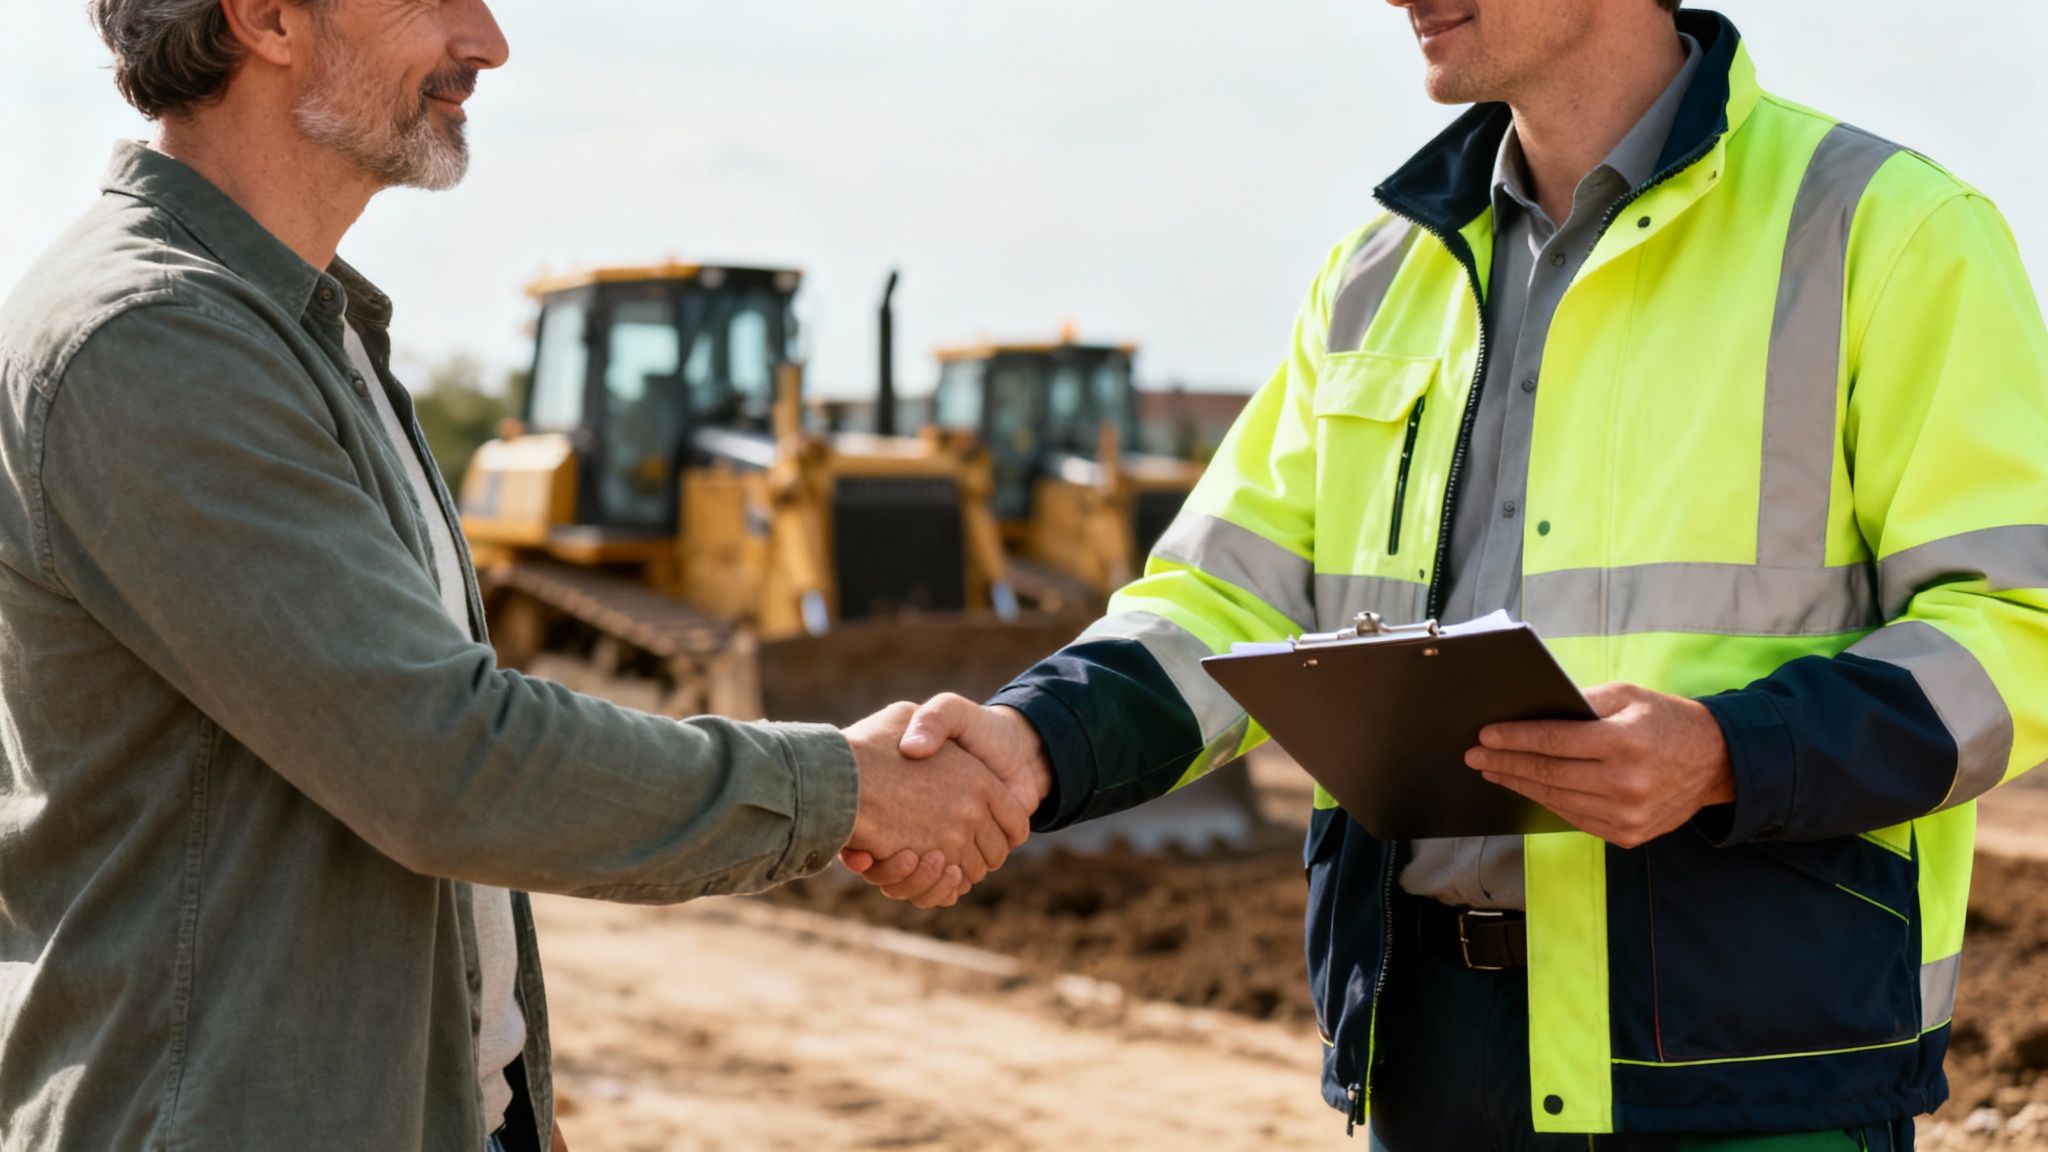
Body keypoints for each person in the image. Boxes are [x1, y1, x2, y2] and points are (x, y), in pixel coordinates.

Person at [855, 1, 2048, 1147]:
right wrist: (1030, 743)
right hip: (1429, 1059)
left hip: (1750, 1060)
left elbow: (2016, 622)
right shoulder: (1378, 274)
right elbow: (1221, 604)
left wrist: (1727, 755)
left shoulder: (1884, 232)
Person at [0, 2, 1026, 1150]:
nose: (486, 40)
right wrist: (849, 786)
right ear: (267, 16)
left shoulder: (306, 335)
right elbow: (443, 763)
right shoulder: (153, 343)